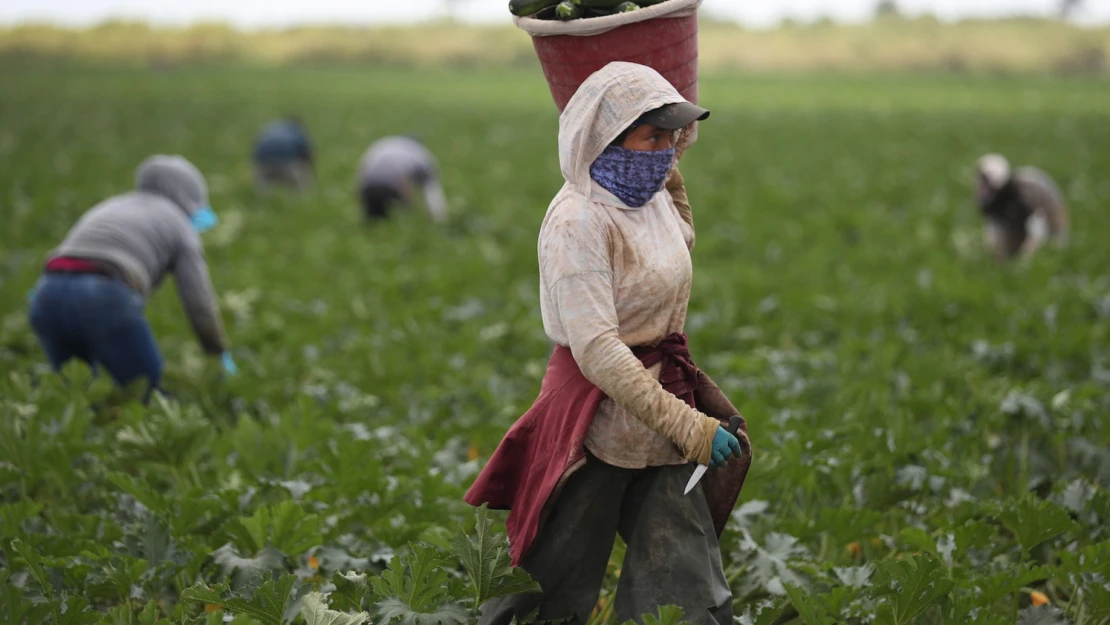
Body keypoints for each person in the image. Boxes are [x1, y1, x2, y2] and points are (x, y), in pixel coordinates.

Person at [464, 62, 752, 625]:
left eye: (675, 137)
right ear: (605, 139)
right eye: (653, 137)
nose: (668, 149)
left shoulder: (648, 200)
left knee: (687, 585)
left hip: (661, 404)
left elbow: (682, 239)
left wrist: (670, 166)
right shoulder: (578, 222)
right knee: (553, 583)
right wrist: (689, 426)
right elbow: (597, 349)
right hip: (596, 416)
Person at [28, 155, 237, 397]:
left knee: (76, 400)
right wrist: (217, 352)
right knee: (149, 398)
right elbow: (198, 303)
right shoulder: (179, 223)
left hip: (46, 295)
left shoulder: (112, 205)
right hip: (103, 294)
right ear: (190, 195)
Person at [975, 153, 1069, 261]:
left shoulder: (1026, 191)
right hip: (1017, 221)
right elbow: (992, 220)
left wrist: (1026, 256)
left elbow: (1038, 225)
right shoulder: (987, 193)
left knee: (1052, 248)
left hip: (1045, 217)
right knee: (1004, 254)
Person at [356, 135, 448, 223]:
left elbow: (363, 168)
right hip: (392, 187)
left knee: (373, 219)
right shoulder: (420, 154)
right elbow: (431, 190)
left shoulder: (384, 145)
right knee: (399, 217)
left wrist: (358, 192)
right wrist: (439, 216)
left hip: (369, 186)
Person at [253, 117, 314, 191]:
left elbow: (256, 149)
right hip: (287, 164)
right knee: (301, 186)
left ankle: (262, 197)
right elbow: (306, 153)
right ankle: (302, 198)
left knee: (264, 189)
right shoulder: (296, 131)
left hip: (263, 164)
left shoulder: (269, 128)